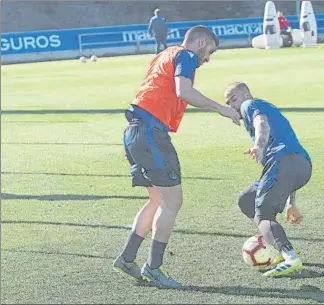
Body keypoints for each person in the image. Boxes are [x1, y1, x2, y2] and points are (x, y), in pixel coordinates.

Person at [113, 25, 240, 288]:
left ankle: (127, 258)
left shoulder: (165, 53)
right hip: (150, 133)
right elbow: (184, 91)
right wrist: (220, 108)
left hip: (134, 132)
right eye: (210, 52)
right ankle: (154, 267)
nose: (208, 58)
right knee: (173, 202)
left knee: (157, 200)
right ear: (200, 42)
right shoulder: (186, 56)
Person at [224, 82, 312, 277]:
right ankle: (276, 245)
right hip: (300, 165)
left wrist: (258, 146)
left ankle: (289, 256)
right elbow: (285, 171)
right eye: (228, 103)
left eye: (234, 99)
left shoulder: (250, 105)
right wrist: (291, 203)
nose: (233, 106)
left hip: (285, 162)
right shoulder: (266, 108)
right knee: (247, 198)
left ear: (246, 94)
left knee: (263, 214)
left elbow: (261, 123)